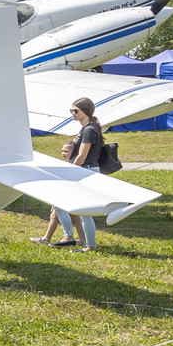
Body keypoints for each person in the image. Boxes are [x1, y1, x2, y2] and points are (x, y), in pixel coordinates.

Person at [66, 97, 103, 252]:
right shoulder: (87, 128)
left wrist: (70, 172)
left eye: (76, 111)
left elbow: (82, 156)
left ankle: (90, 245)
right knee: (76, 210)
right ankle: (76, 239)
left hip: (86, 171)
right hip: (85, 170)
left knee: (85, 212)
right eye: (71, 110)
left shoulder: (89, 130)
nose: (73, 113)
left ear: (86, 111)